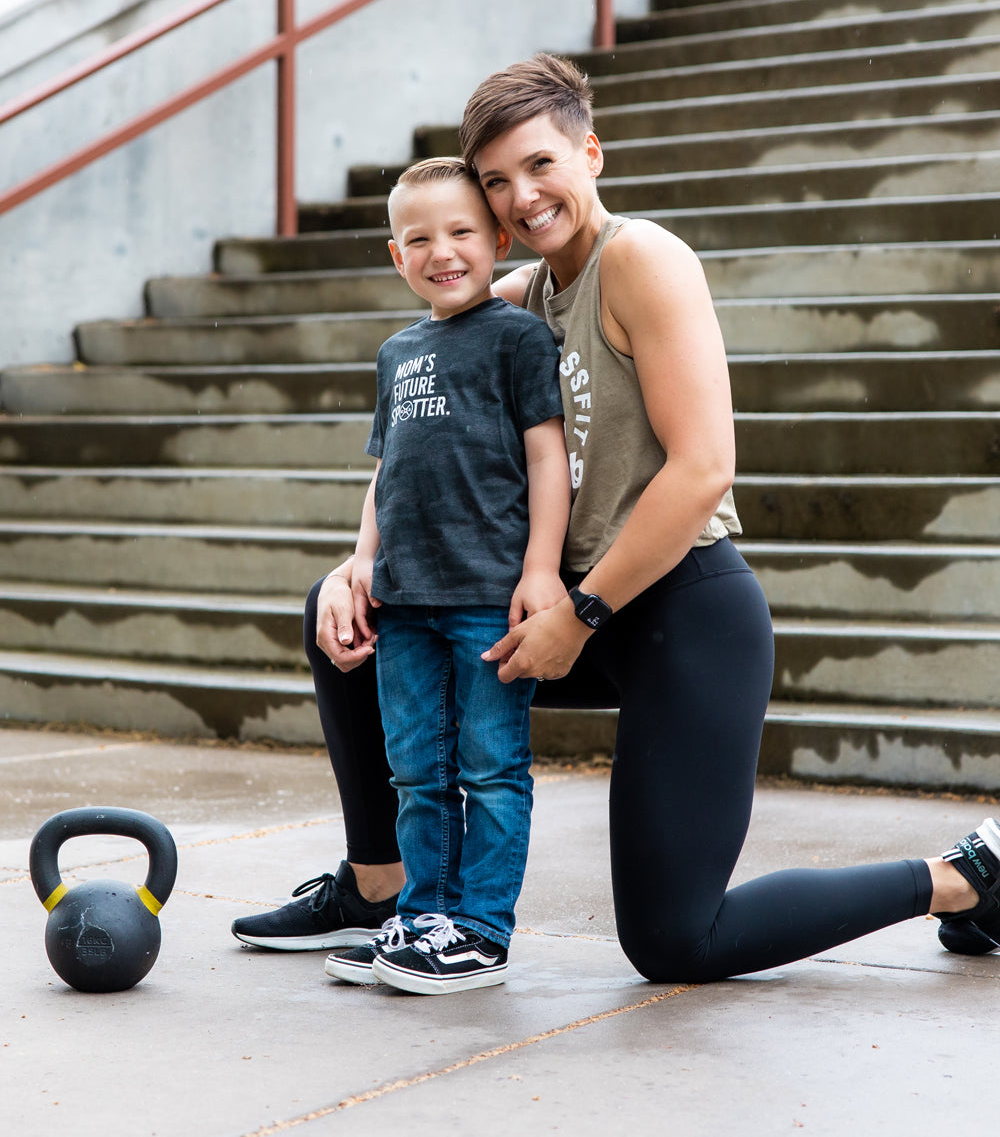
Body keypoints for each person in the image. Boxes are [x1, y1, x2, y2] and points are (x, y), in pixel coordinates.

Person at [233, 53, 1000, 981]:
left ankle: (964, 879)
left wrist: (582, 613)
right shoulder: (513, 300)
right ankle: (380, 885)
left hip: (678, 612)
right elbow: (416, 441)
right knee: (351, 615)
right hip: (563, 609)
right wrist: (360, 561)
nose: (523, 196)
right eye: (497, 181)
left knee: (677, 941)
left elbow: (704, 467)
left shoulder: (642, 259)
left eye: (541, 164)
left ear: (590, 153)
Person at [262, 157, 569, 995]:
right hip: (404, 603)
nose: (443, 251)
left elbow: (548, 457)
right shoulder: (397, 352)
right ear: (397, 257)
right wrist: (363, 560)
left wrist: (541, 567)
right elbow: (386, 471)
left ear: (499, 240)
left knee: (491, 769)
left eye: (462, 231)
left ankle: (481, 931)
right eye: (420, 239)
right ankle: (423, 918)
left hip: (486, 599)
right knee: (417, 773)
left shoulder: (518, 338)